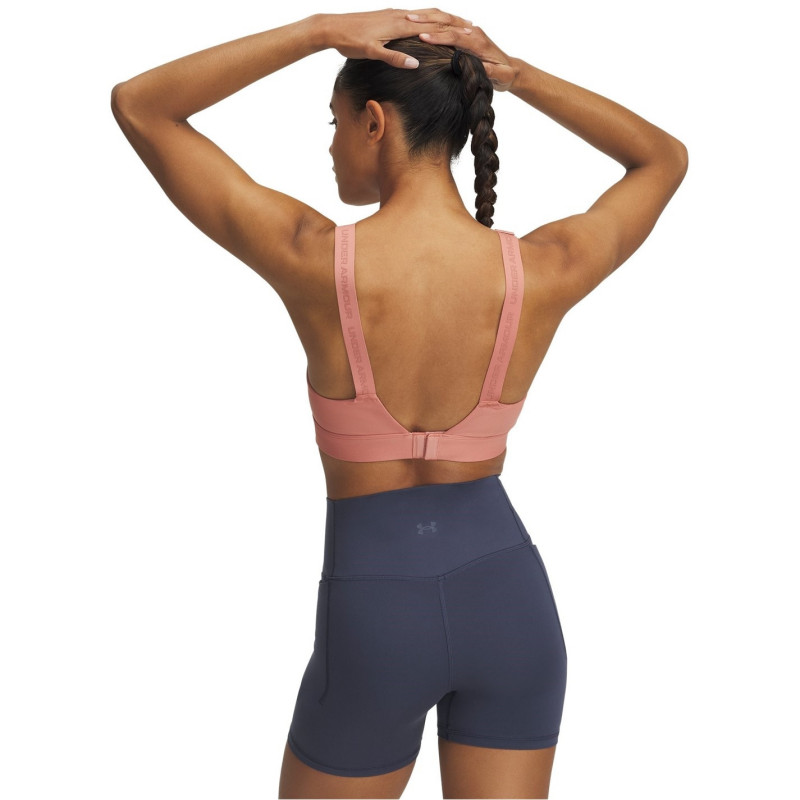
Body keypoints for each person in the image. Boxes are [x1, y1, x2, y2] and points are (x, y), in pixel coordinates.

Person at [111, 7, 688, 798]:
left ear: (374, 122)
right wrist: (514, 77)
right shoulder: (545, 268)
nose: (330, 146)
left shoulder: (313, 258)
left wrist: (317, 32)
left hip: (376, 615)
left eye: (336, 123)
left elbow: (141, 105)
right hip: (511, 603)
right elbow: (662, 158)